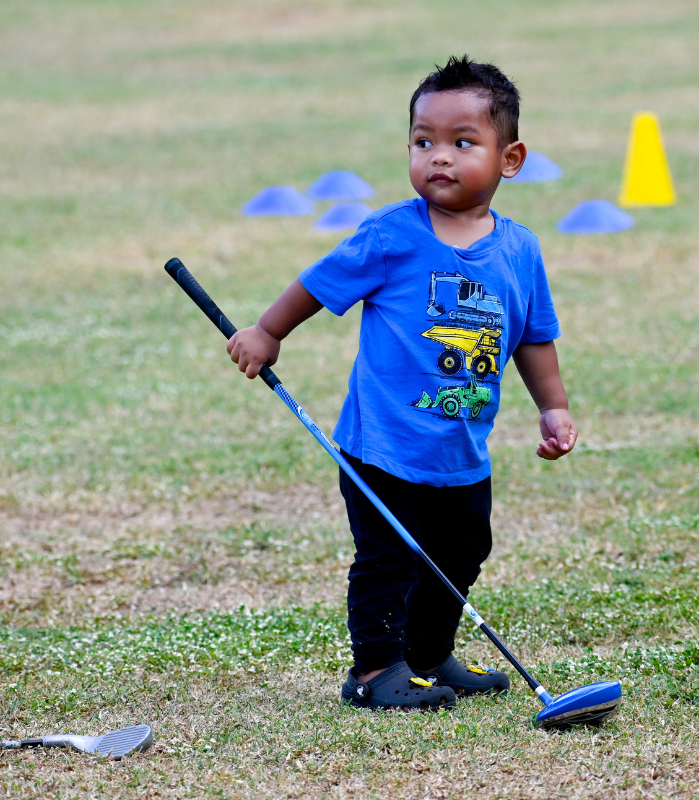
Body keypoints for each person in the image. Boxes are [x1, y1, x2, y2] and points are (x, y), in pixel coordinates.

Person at [225, 56, 576, 712]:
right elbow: (317, 284)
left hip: (461, 451)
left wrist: (553, 408)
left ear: (511, 158)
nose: (438, 157)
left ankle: (426, 653)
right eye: (423, 142)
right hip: (383, 447)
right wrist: (268, 332)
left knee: (463, 549)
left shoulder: (520, 250)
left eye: (462, 142)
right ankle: (374, 670)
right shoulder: (391, 235)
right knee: (387, 561)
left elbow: (534, 335)